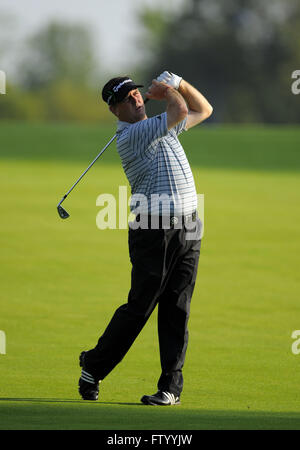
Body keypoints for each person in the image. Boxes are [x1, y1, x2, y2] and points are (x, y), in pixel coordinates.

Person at [78, 71, 213, 405]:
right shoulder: (133, 135)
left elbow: (203, 109)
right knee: (140, 307)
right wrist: (168, 90)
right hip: (154, 230)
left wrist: (181, 83)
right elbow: (181, 111)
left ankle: (170, 388)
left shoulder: (162, 126)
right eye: (127, 99)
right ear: (116, 110)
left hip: (189, 226)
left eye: (136, 93)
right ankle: (93, 366)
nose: (136, 99)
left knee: (177, 308)